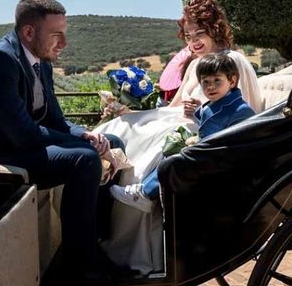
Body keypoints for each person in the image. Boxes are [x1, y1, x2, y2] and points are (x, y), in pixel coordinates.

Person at [0, 0, 126, 281]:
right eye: (56, 35)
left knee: (113, 142)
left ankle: (99, 243)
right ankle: (79, 263)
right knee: (85, 159)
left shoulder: (41, 61)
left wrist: (87, 134)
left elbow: (55, 120)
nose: (63, 44)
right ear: (28, 32)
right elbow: (23, 134)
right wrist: (87, 145)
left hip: (18, 147)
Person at [95, 0, 262, 275]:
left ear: (215, 28)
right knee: (121, 127)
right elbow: (171, 107)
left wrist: (198, 112)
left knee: (155, 145)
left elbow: (243, 110)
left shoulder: (232, 61)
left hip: (207, 130)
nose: (193, 41)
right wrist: (135, 110)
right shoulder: (196, 63)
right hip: (180, 118)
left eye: (200, 33)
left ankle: (141, 199)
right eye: (188, 35)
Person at [108, 52, 256, 213]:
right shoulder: (213, 104)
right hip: (207, 153)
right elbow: (209, 125)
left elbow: (235, 144)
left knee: (176, 160)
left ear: (232, 81)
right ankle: (147, 192)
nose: (210, 86)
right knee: (169, 149)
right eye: (205, 82)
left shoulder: (242, 110)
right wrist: (197, 115)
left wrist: (197, 144)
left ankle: (144, 193)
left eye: (217, 80)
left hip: (220, 161)